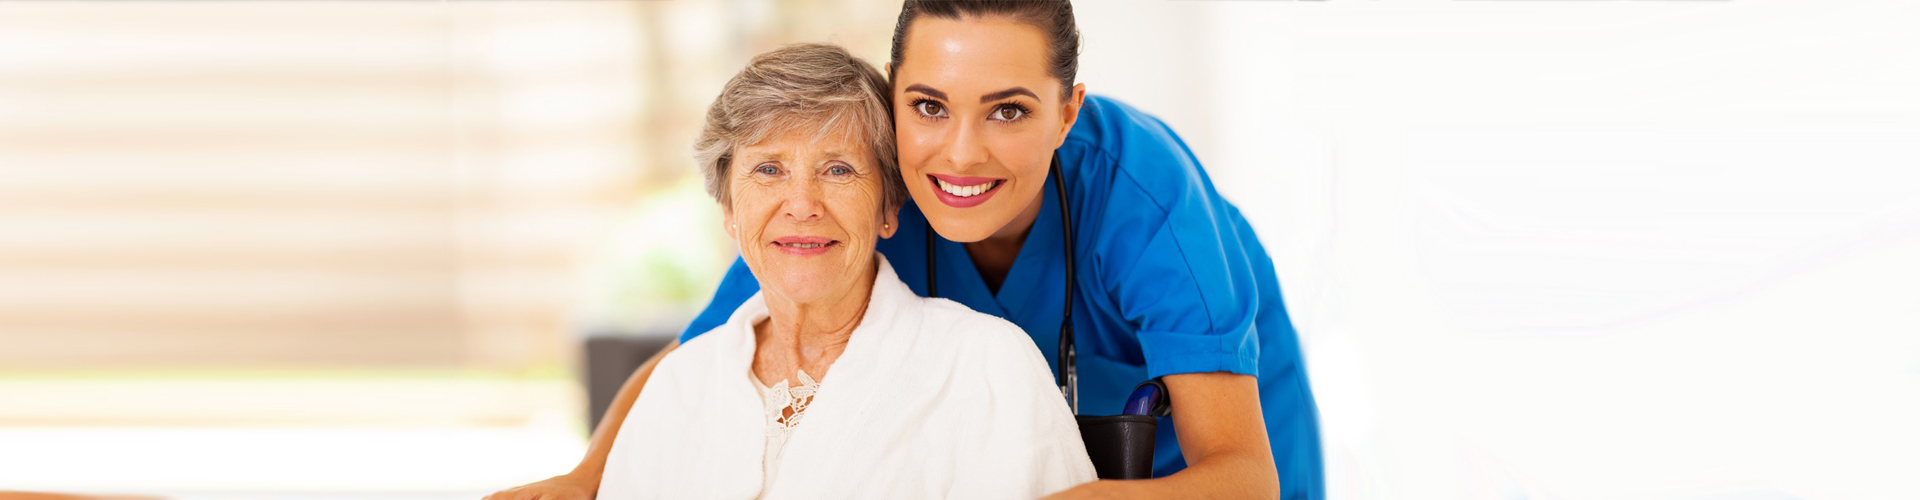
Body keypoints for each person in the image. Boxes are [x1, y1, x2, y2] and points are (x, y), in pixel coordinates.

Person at [489, 1, 1323, 499]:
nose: (959, 155)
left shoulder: (1145, 200)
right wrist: (588, 476)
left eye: (1008, 111)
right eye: (929, 105)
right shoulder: (857, 187)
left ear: (1067, 113)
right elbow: (698, 352)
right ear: (893, 93)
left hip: (1211, 454)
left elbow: (1245, 475)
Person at [565, 43, 1093, 499]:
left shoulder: (986, 366)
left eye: (838, 170)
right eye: (769, 169)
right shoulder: (678, 386)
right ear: (728, 208)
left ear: (889, 208)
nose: (801, 204)